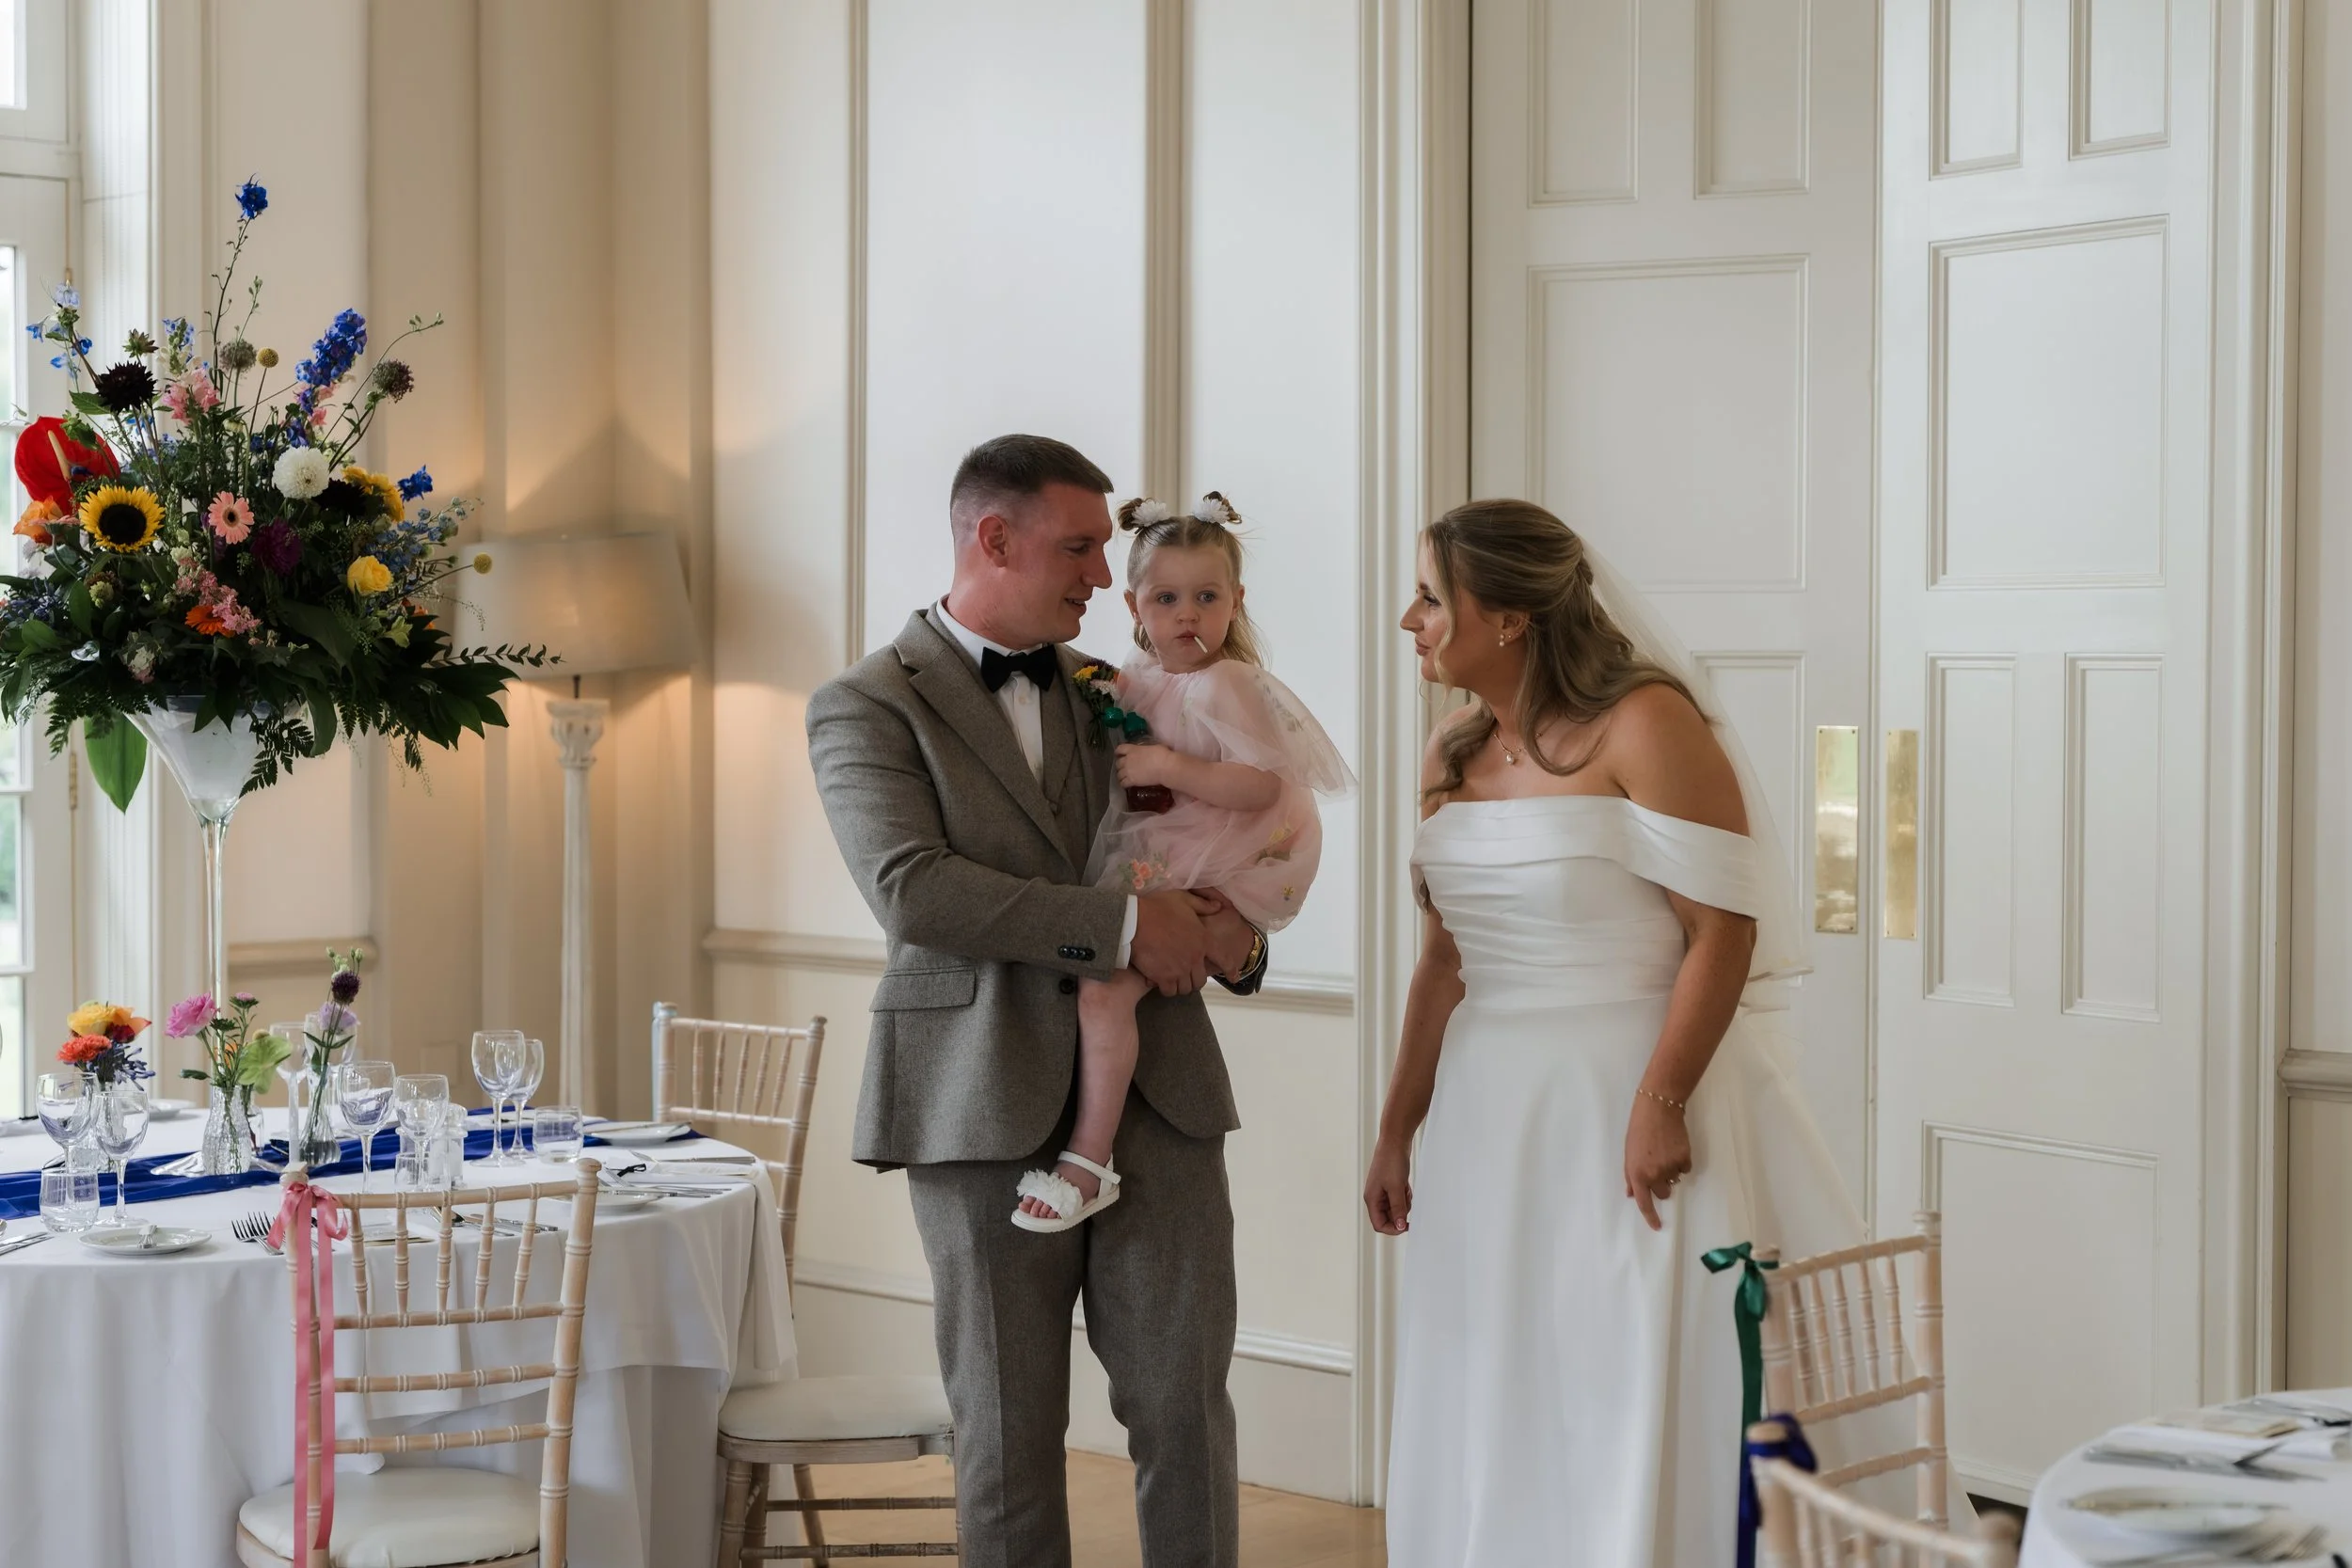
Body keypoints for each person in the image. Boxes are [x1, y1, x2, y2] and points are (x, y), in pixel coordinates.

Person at [1364, 498, 1872, 1565]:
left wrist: (1660, 1100)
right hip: (1489, 1114)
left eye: (1428, 597)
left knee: (1623, 1357)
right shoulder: (1451, 749)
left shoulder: (1645, 722)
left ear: (1506, 615)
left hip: (1627, 1093)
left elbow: (1721, 929)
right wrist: (1397, 1128)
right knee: (1498, 1360)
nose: (1409, 620)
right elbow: (1443, 962)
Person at [806, 434, 1267, 1568]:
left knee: (1185, 1409)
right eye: (1079, 548)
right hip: (975, 1099)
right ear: (994, 538)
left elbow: (1212, 833)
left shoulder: (1124, 690)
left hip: (1160, 1089)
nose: (1106, 577)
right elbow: (912, 887)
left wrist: (1238, 933)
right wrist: (1125, 927)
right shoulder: (865, 701)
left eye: (1106, 550)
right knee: (1007, 1431)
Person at [1012, 493, 1353, 1231]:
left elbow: (1260, 785)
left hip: (1218, 859)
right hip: (1164, 857)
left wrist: (1170, 765)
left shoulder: (1228, 682)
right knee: (1098, 989)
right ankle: (1086, 1148)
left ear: (1237, 601)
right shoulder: (1130, 677)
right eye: (1166, 598)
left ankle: (1087, 1159)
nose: (1187, 615)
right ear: (1134, 604)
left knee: (1104, 992)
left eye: (1207, 597)